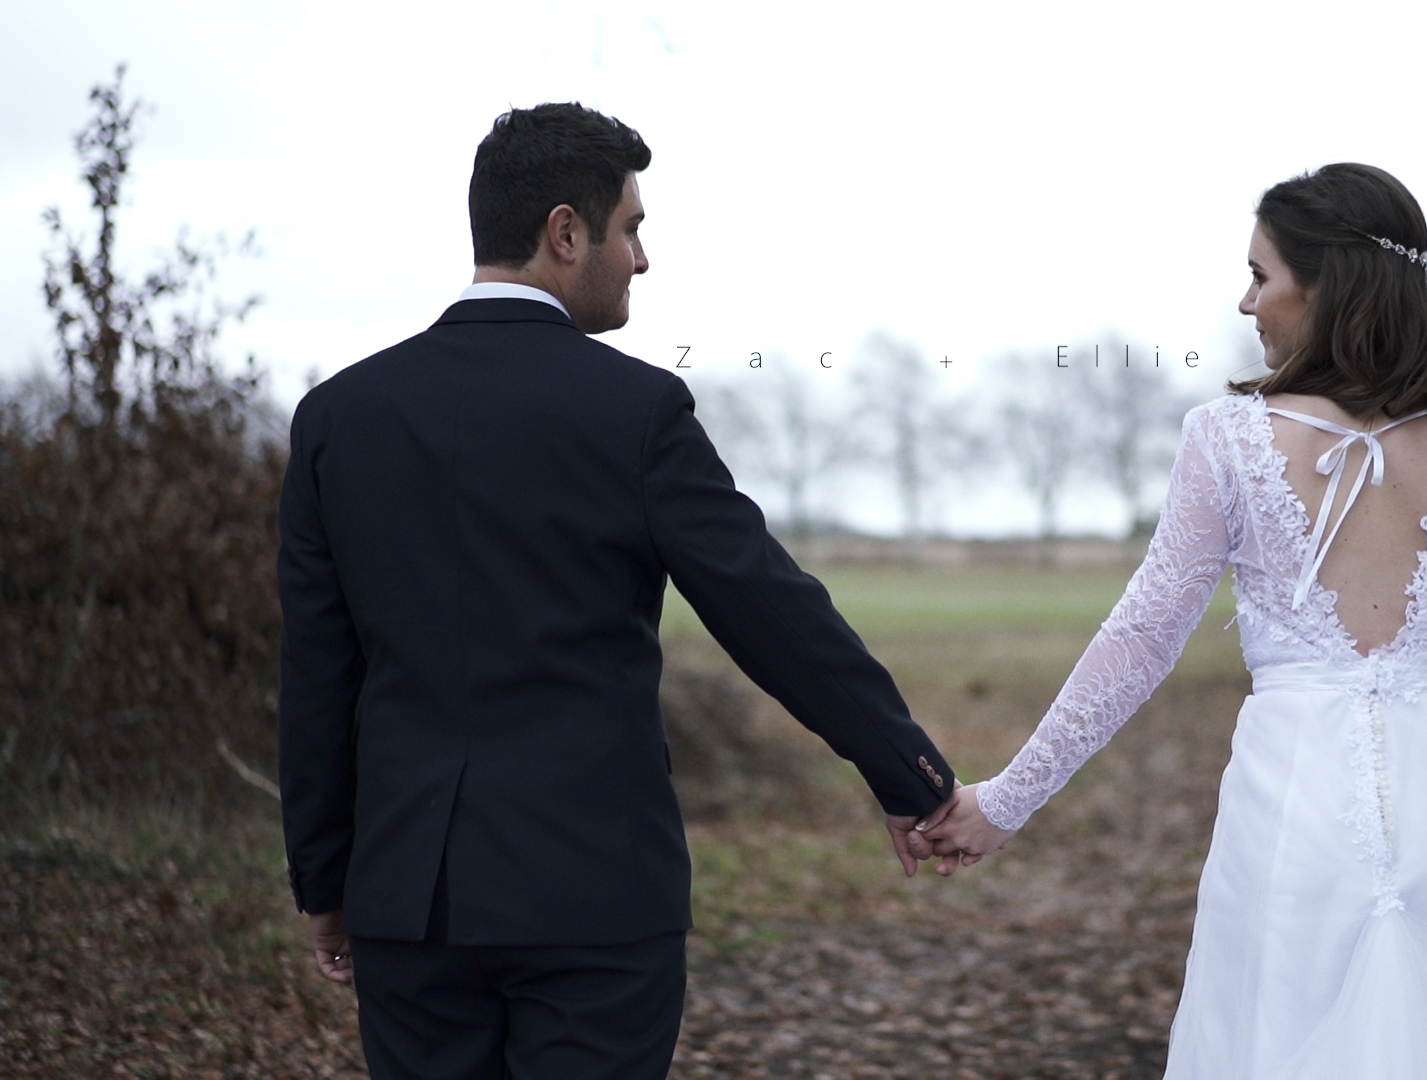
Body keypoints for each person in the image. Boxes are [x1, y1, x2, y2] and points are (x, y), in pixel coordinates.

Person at [277, 102, 960, 1080]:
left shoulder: (337, 418)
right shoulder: (635, 410)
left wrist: (326, 879)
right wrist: (911, 779)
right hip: (590, 891)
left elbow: (317, 675)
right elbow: (767, 608)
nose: (642, 259)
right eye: (631, 228)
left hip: (408, 899)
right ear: (565, 232)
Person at [926, 163, 1427, 1078]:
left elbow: (1141, 639)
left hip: (1293, 810)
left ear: (1324, 286)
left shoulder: (1228, 438)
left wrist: (1005, 802)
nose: (1246, 303)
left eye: (1259, 275)